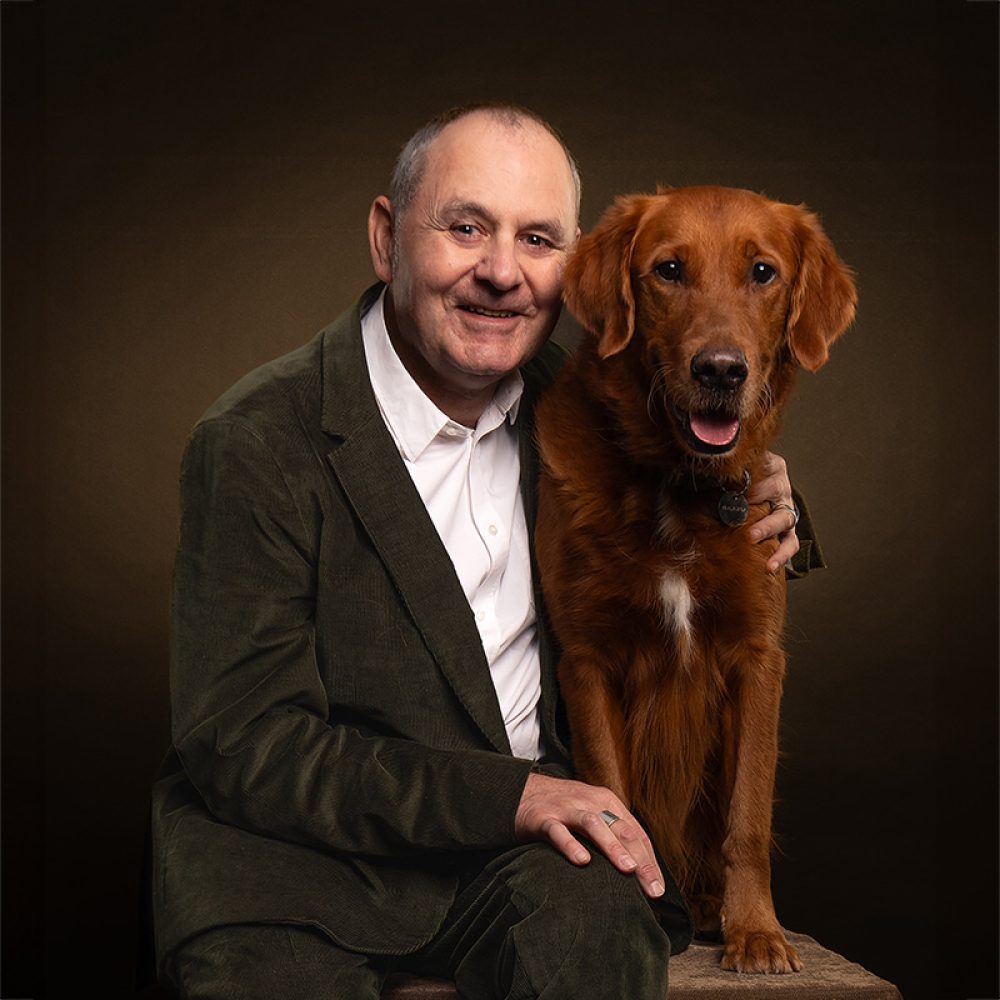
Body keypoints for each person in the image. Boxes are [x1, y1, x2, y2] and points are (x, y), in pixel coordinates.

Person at [149, 103, 816, 999]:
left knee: (601, 934)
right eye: (466, 228)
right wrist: (513, 796)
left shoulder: (580, 405)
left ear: (574, 267)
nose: (502, 273)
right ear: (388, 240)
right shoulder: (256, 442)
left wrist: (775, 499)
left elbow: (691, 480)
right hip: (293, 875)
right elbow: (244, 745)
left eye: (537, 240)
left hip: (518, 866)